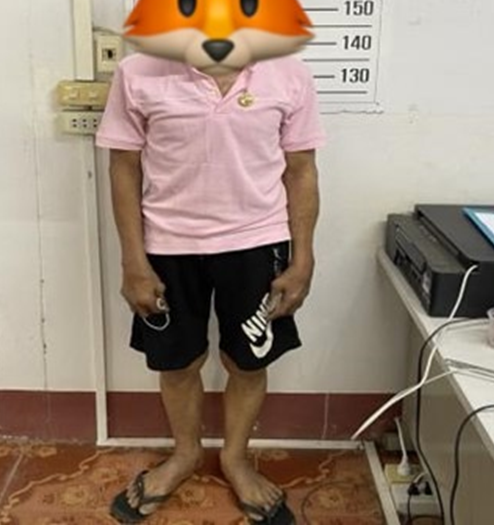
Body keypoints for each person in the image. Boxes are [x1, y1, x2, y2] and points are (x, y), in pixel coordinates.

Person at [96, 50, 324, 524]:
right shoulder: (138, 72)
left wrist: (303, 258)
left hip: (257, 244)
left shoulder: (288, 73)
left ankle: (235, 459)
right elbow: (124, 167)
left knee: (248, 361)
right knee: (177, 361)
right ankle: (185, 454)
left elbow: (301, 169)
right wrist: (133, 261)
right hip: (167, 245)